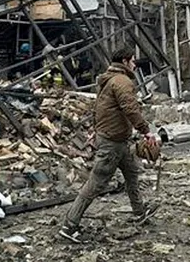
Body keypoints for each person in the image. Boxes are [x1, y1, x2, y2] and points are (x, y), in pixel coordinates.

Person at [59, 47, 159, 243]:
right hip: (112, 143)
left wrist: (96, 130)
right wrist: (146, 131)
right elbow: (130, 108)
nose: (135, 64)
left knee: (132, 173)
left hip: (118, 140)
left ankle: (140, 211)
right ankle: (70, 225)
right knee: (95, 183)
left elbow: (100, 109)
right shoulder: (122, 81)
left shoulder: (107, 80)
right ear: (125, 61)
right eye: (132, 61)